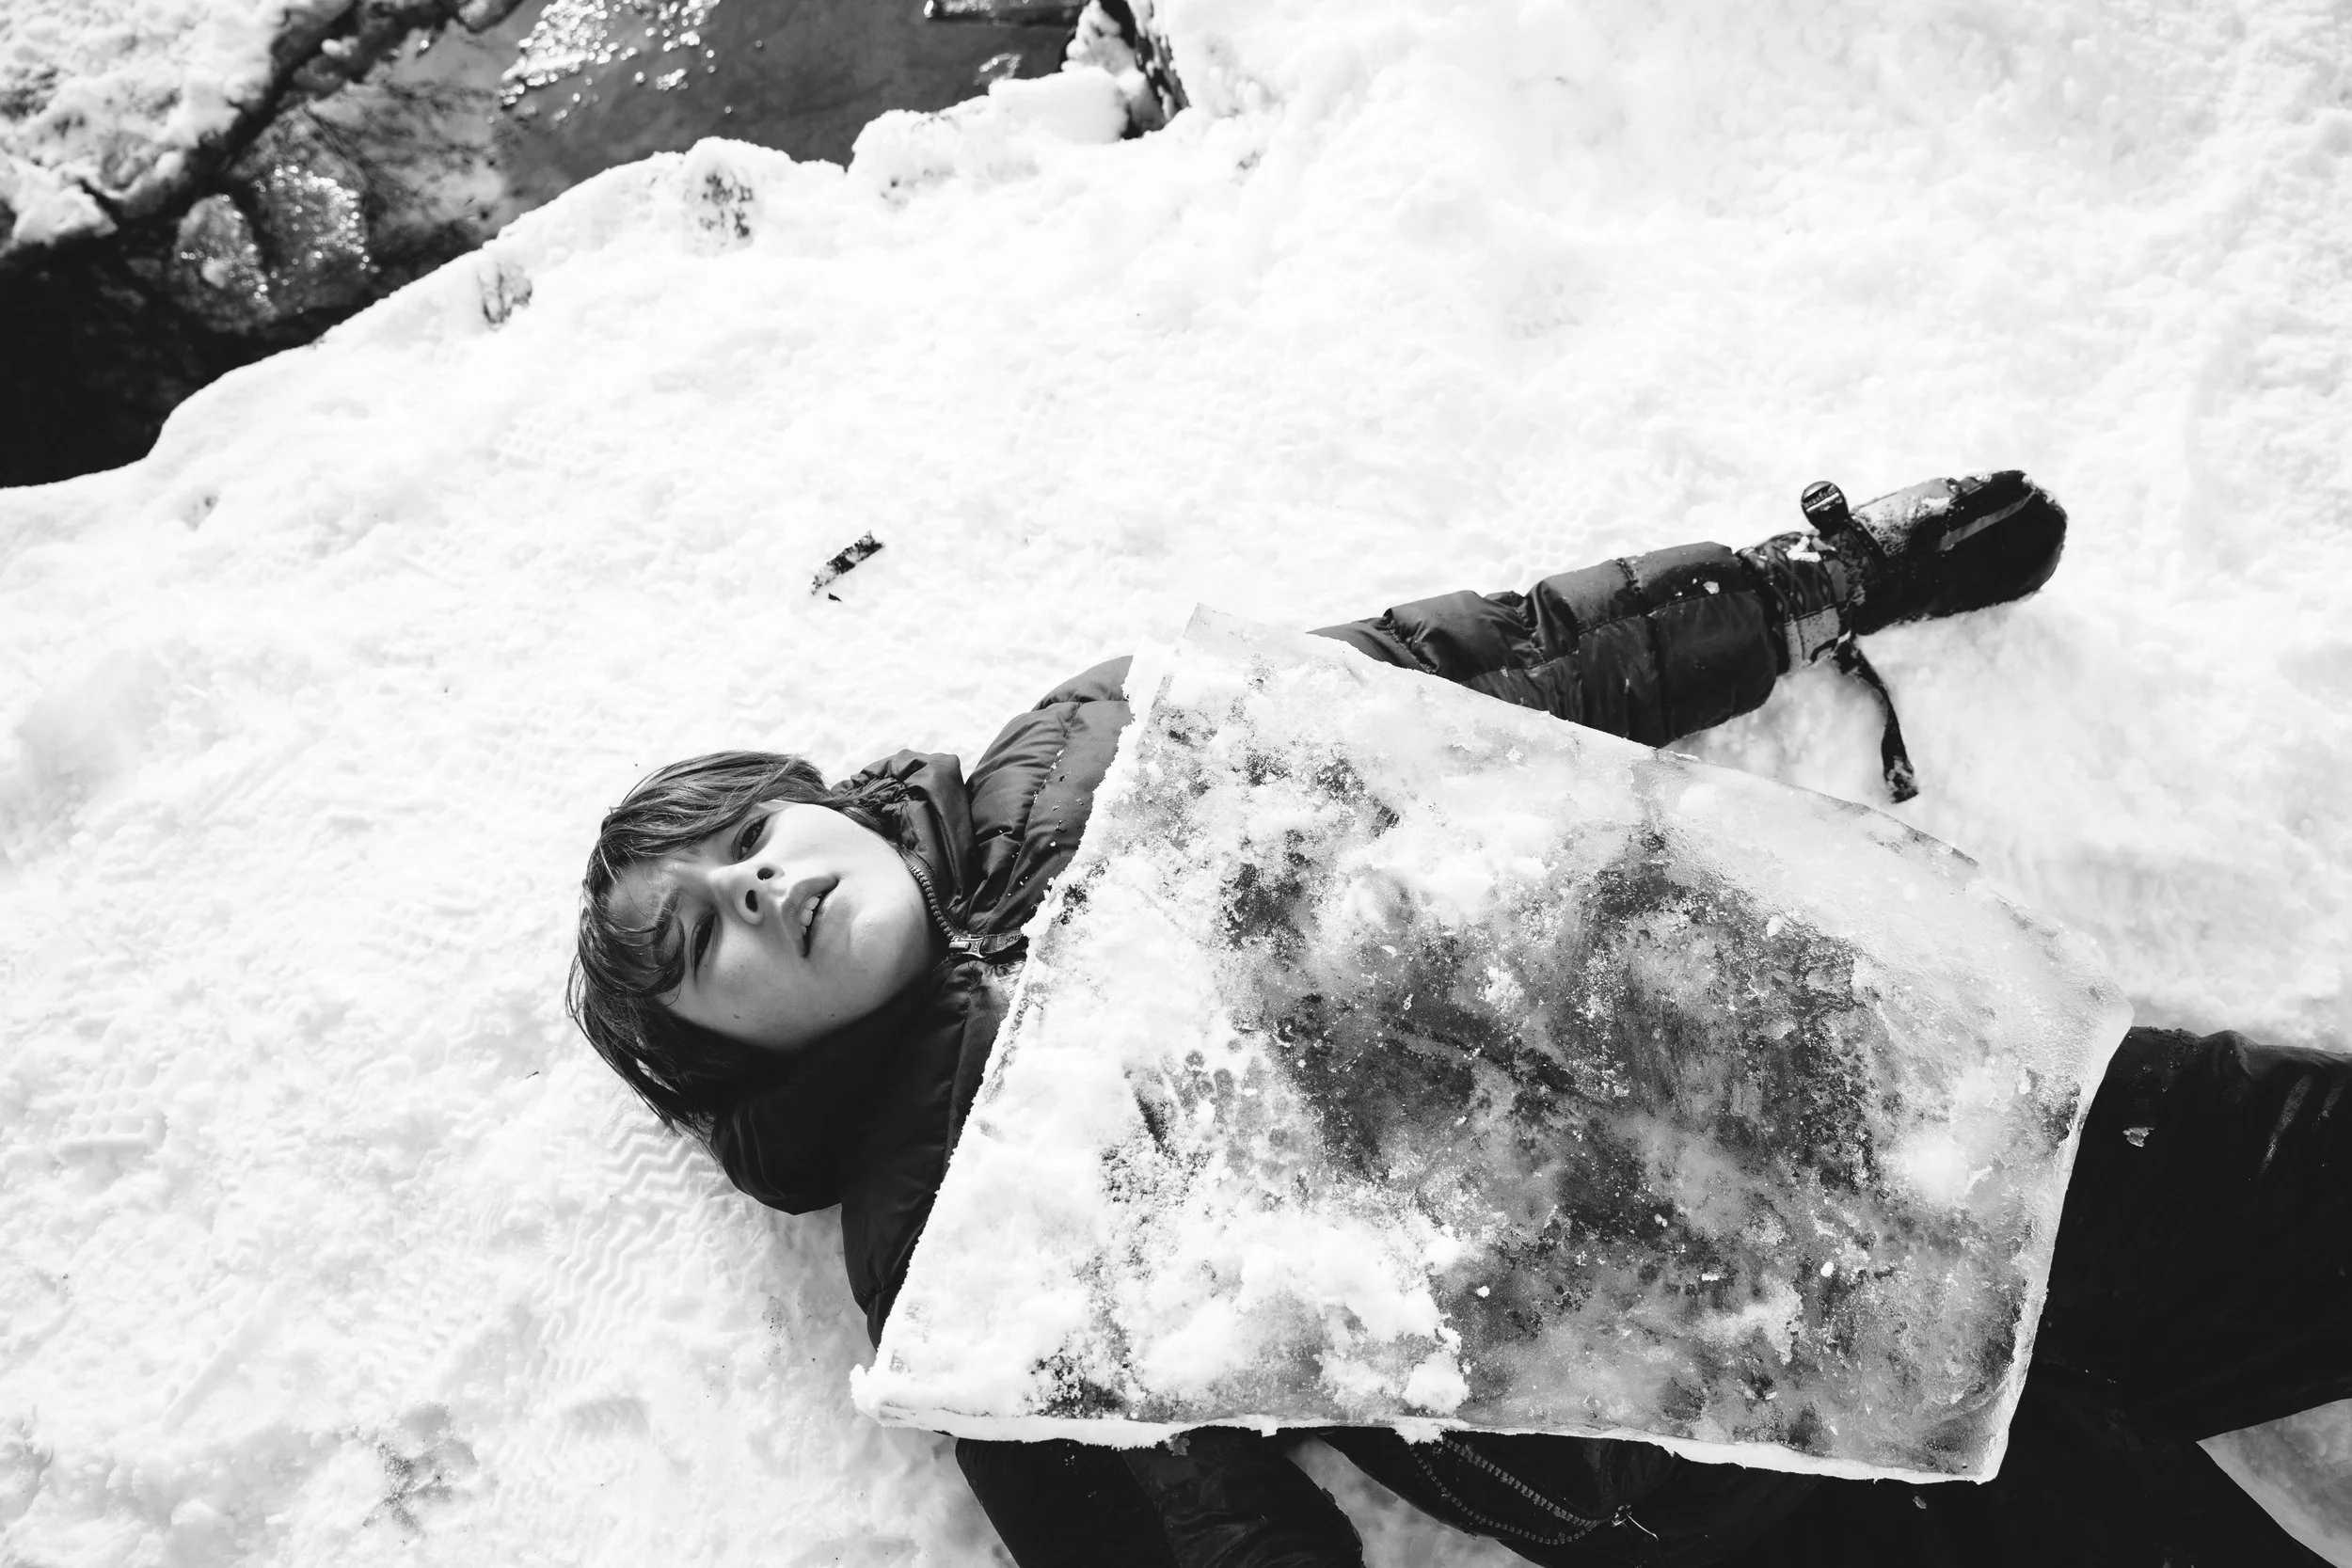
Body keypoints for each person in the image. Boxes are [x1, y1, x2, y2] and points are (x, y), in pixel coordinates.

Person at [570, 472, 2351, 1567]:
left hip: (1929, 1127)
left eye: (745, 839)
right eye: (700, 941)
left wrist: (1815, 587)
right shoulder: (955, 1235)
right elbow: (1172, 1535)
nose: (755, 891)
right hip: (1746, 1462)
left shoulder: (1105, 740)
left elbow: (1492, 672)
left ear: (811, 796)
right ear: (728, 1054)